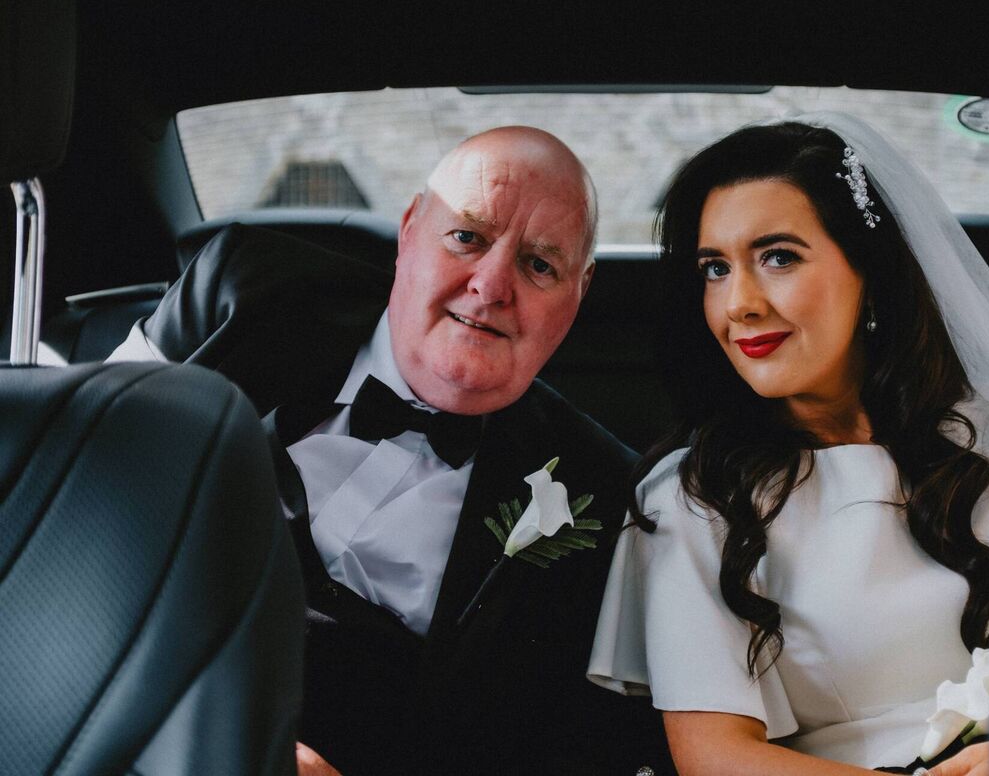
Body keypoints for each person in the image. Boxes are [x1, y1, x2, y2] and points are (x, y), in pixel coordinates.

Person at [109, 126, 672, 776]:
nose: (491, 285)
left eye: (539, 264)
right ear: (410, 230)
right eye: (467, 237)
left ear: (577, 296)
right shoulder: (240, 296)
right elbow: (71, 495)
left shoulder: (601, 492)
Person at [586, 114, 989, 776]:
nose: (739, 303)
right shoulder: (694, 498)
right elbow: (715, 758)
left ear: (869, 275)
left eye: (778, 257)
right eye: (714, 268)